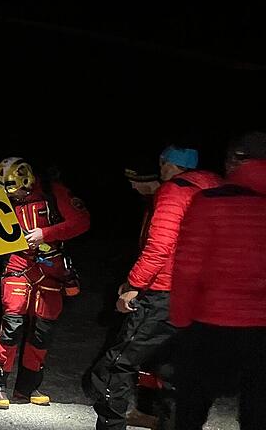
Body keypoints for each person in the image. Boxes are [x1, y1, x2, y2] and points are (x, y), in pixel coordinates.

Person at [89, 146, 221, 430]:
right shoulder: (215, 186)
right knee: (174, 369)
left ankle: (111, 425)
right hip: (204, 296)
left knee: (117, 364)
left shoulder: (175, 191)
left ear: (167, 164)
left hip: (166, 294)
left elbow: (159, 248)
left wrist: (133, 286)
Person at [170, 131, 266, 430]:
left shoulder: (210, 201)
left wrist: (180, 323)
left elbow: (187, 269)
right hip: (263, 330)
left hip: (211, 323)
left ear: (237, 157)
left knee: (191, 410)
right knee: (258, 413)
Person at [0, 157, 91, 409]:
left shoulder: (55, 193)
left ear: (27, 181)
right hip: (17, 265)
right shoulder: (0, 199)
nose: (14, 197)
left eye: (16, 191)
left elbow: (82, 222)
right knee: (12, 324)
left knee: (43, 330)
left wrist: (46, 233)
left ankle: (28, 386)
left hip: (51, 269)